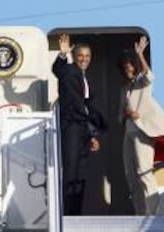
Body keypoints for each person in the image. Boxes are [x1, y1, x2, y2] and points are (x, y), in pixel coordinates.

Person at [119, 36, 164, 215]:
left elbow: (149, 75)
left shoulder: (142, 82)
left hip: (143, 131)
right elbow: (121, 115)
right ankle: (140, 214)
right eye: (125, 65)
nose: (128, 67)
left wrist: (140, 55)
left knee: (144, 172)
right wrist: (127, 114)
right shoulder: (124, 89)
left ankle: (152, 214)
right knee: (131, 177)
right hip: (128, 133)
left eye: (130, 64)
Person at [52, 34, 105, 215]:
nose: (84, 59)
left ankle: (76, 212)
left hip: (82, 128)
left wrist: (91, 134)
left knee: (81, 172)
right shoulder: (69, 71)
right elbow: (58, 69)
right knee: (71, 169)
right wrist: (62, 54)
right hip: (71, 126)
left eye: (87, 56)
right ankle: (67, 213)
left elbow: (87, 107)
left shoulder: (83, 77)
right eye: (81, 55)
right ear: (75, 56)